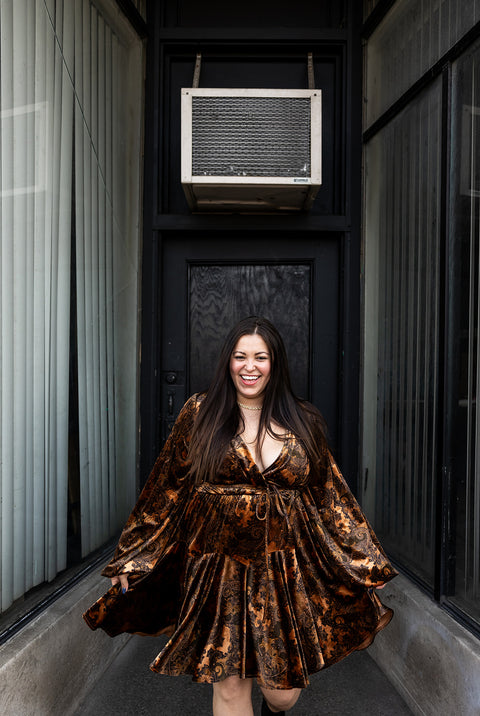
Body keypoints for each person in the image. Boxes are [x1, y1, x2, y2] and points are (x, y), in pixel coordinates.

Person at [84, 316, 397, 716]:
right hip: (217, 566)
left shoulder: (304, 420)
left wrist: (365, 561)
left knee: (282, 694)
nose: (249, 367)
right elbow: (165, 488)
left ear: (274, 363)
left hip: (283, 569)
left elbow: (330, 496)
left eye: (260, 357)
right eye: (240, 356)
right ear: (228, 362)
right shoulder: (200, 412)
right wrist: (132, 555)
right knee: (230, 685)